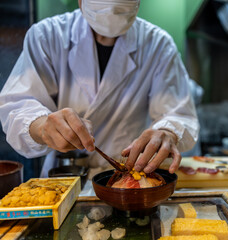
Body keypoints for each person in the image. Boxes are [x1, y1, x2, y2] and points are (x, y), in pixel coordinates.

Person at [0, 0, 199, 177]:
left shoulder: (158, 45)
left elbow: (179, 114)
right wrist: (43, 126)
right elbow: (16, 106)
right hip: (65, 175)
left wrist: (167, 132)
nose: (112, 9)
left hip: (130, 177)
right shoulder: (46, 36)